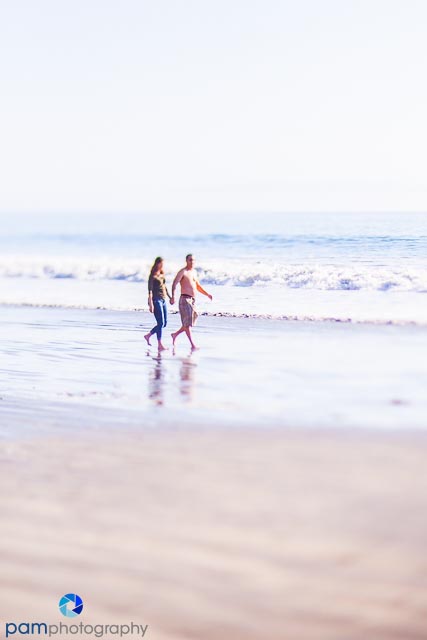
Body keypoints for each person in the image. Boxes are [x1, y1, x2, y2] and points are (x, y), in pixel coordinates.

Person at [170, 254, 212, 350]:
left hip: (192, 300)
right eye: (190, 260)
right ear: (186, 261)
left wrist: (207, 294)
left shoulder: (194, 272)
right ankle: (192, 345)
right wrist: (173, 296)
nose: (192, 262)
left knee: (190, 321)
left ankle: (175, 334)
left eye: (193, 260)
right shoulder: (183, 272)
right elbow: (174, 283)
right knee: (188, 324)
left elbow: (197, 286)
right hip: (184, 299)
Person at [144, 257, 171, 351]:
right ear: (157, 263)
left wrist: (170, 297)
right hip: (156, 300)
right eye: (161, 263)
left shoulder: (162, 274)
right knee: (160, 323)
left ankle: (148, 335)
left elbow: (164, 287)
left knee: (164, 323)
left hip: (163, 300)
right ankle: (160, 344)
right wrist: (150, 303)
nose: (162, 265)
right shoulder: (152, 275)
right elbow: (150, 290)